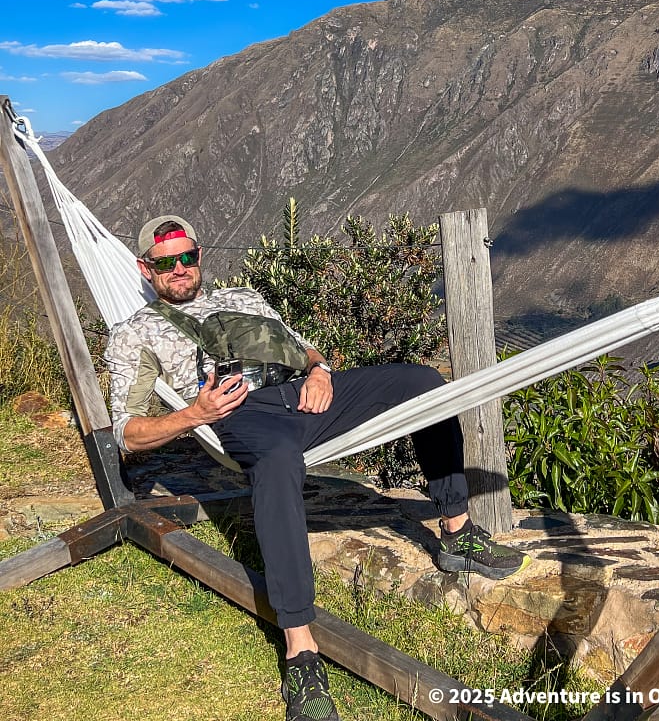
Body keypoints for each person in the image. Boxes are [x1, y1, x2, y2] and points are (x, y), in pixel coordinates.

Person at [106, 214, 531, 721]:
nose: (179, 269)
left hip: (305, 397)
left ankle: (457, 531)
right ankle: (300, 648)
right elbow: (126, 432)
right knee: (279, 464)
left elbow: (301, 346)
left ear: (199, 257)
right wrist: (195, 415)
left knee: (422, 383)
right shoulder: (134, 334)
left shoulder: (244, 297)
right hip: (242, 417)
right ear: (143, 268)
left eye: (187, 257)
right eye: (165, 262)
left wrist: (319, 370)